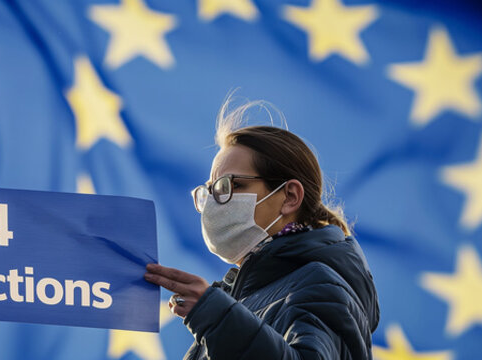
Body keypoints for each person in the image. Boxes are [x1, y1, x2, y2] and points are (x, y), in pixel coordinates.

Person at [144, 100, 380, 359]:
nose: (213, 202)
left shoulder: (320, 284)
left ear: (289, 196)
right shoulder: (233, 304)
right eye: (209, 191)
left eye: (228, 186)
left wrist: (216, 317)